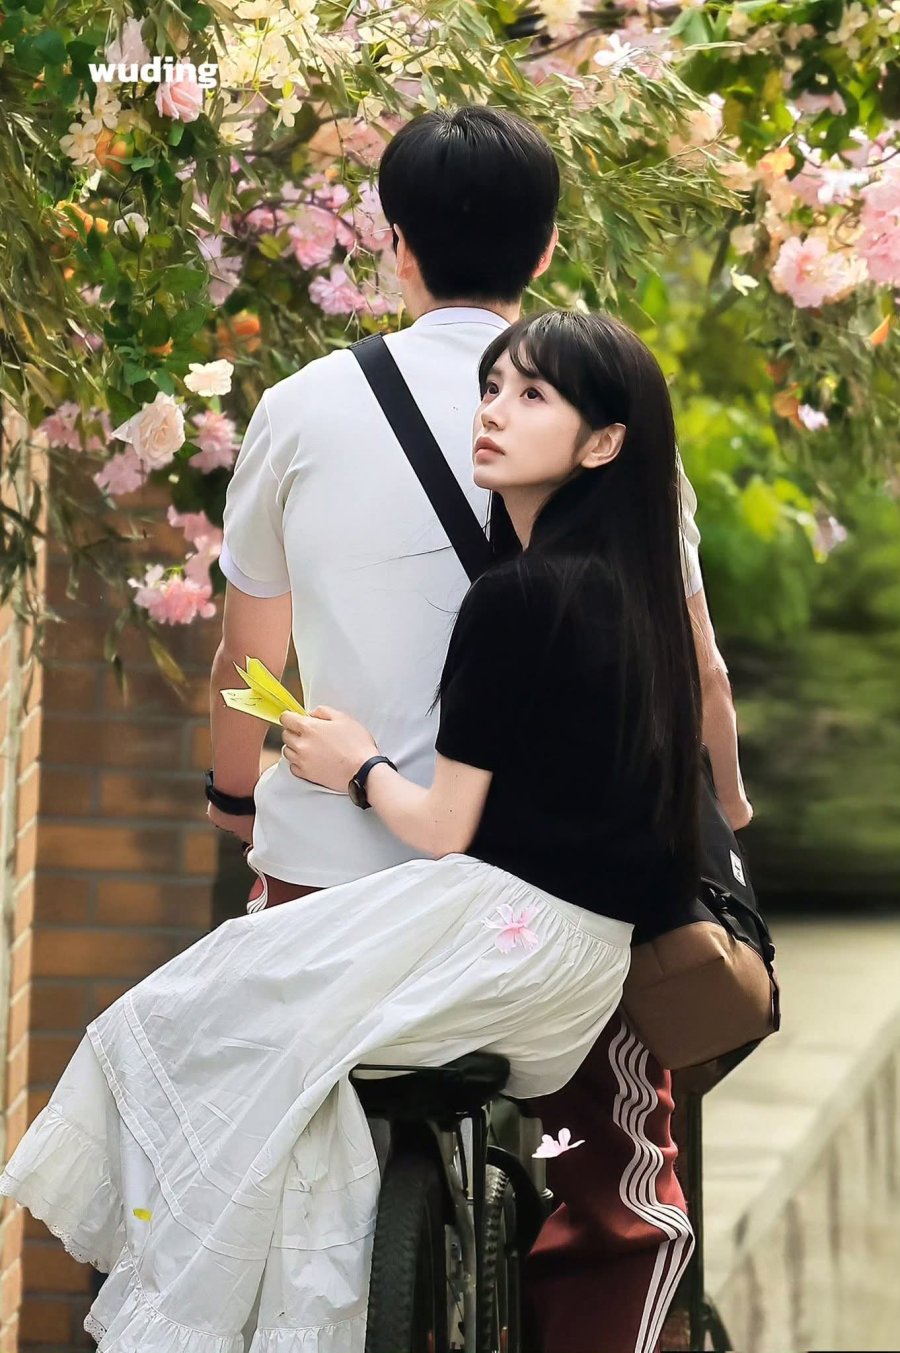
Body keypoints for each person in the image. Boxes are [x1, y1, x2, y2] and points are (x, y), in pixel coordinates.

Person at [3, 308, 701, 1350]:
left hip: (497, 937)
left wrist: (355, 765)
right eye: (493, 387)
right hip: (577, 966)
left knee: (176, 1022)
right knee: (262, 1042)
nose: (493, 412)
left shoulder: (517, 599)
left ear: (602, 444)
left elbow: (444, 826)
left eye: (532, 396)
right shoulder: (632, 596)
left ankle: (237, 1308)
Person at [206, 107, 751, 1353]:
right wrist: (726, 821)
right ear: (547, 247)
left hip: (335, 879)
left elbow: (249, 663)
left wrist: (237, 800)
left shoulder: (299, 407)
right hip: (552, 899)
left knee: (275, 1149)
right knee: (613, 1174)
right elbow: (699, 675)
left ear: (393, 244)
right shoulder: (606, 414)